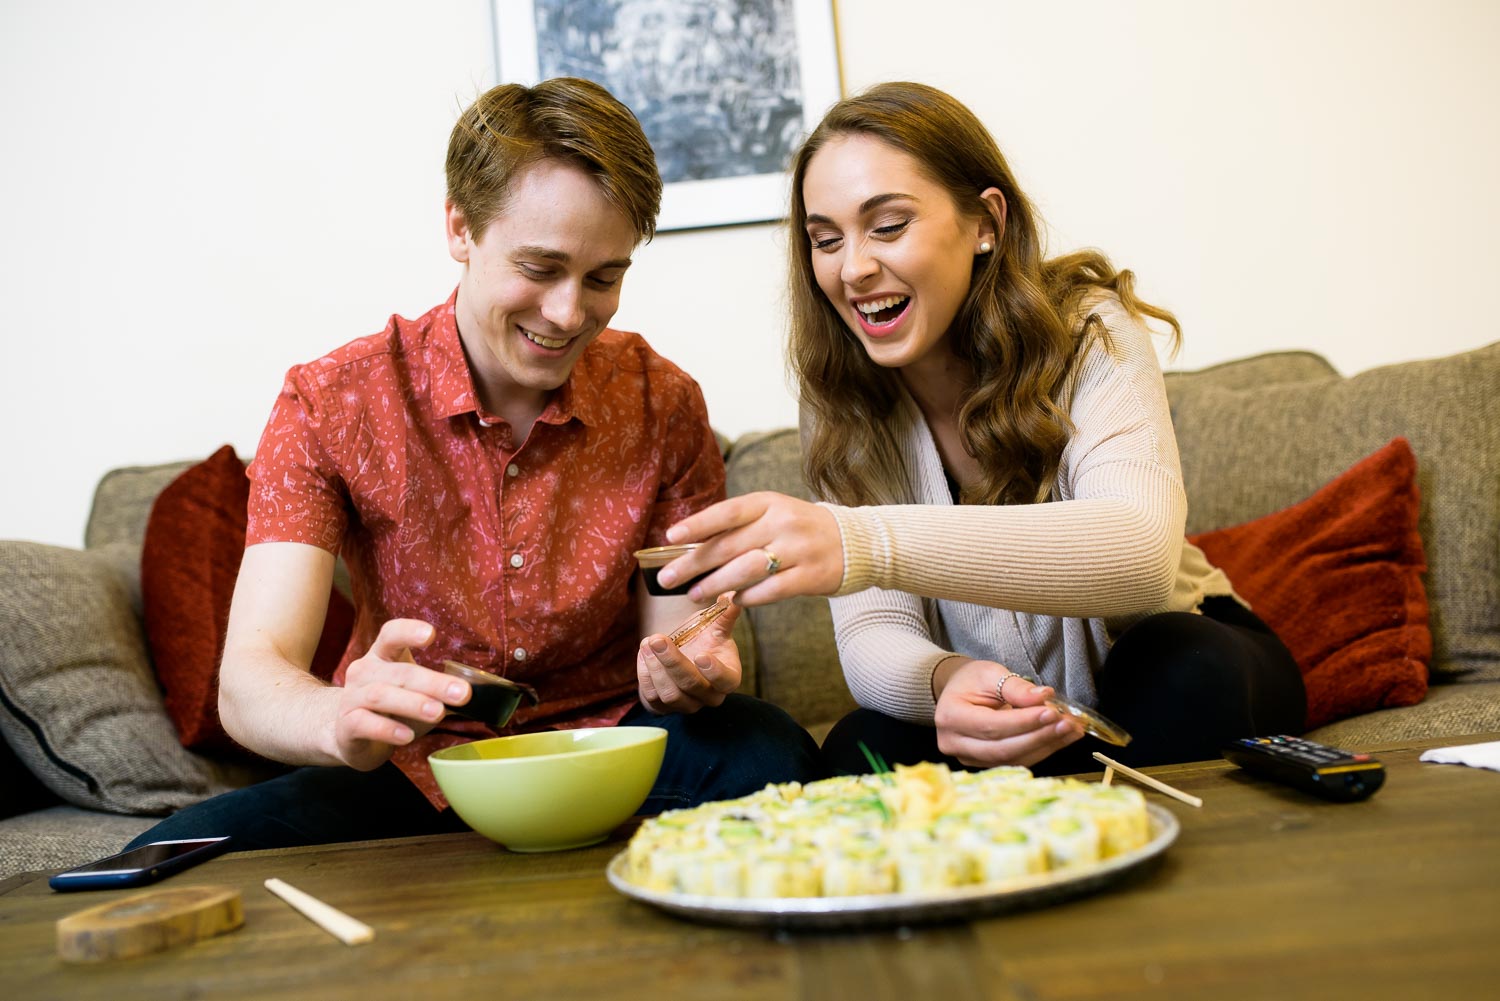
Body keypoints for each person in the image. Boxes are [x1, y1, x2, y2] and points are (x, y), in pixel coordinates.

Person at [125, 78, 819, 852]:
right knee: (167, 858)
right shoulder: (332, 403)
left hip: (612, 746)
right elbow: (251, 682)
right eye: (539, 266)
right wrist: (336, 717)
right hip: (411, 763)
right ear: (460, 227)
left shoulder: (664, 400)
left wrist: (691, 665)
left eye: (604, 277)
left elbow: (676, 638)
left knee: (771, 752)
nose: (568, 313)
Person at [656, 82, 1306, 777]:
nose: (853, 268)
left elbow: (1141, 555)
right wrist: (947, 680)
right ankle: (1045, 791)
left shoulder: (1089, 331)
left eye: (888, 225)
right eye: (826, 239)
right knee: (859, 746)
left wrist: (860, 540)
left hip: (1176, 667)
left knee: (1182, 667)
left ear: (985, 222)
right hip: (1011, 705)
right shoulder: (840, 402)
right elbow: (875, 633)